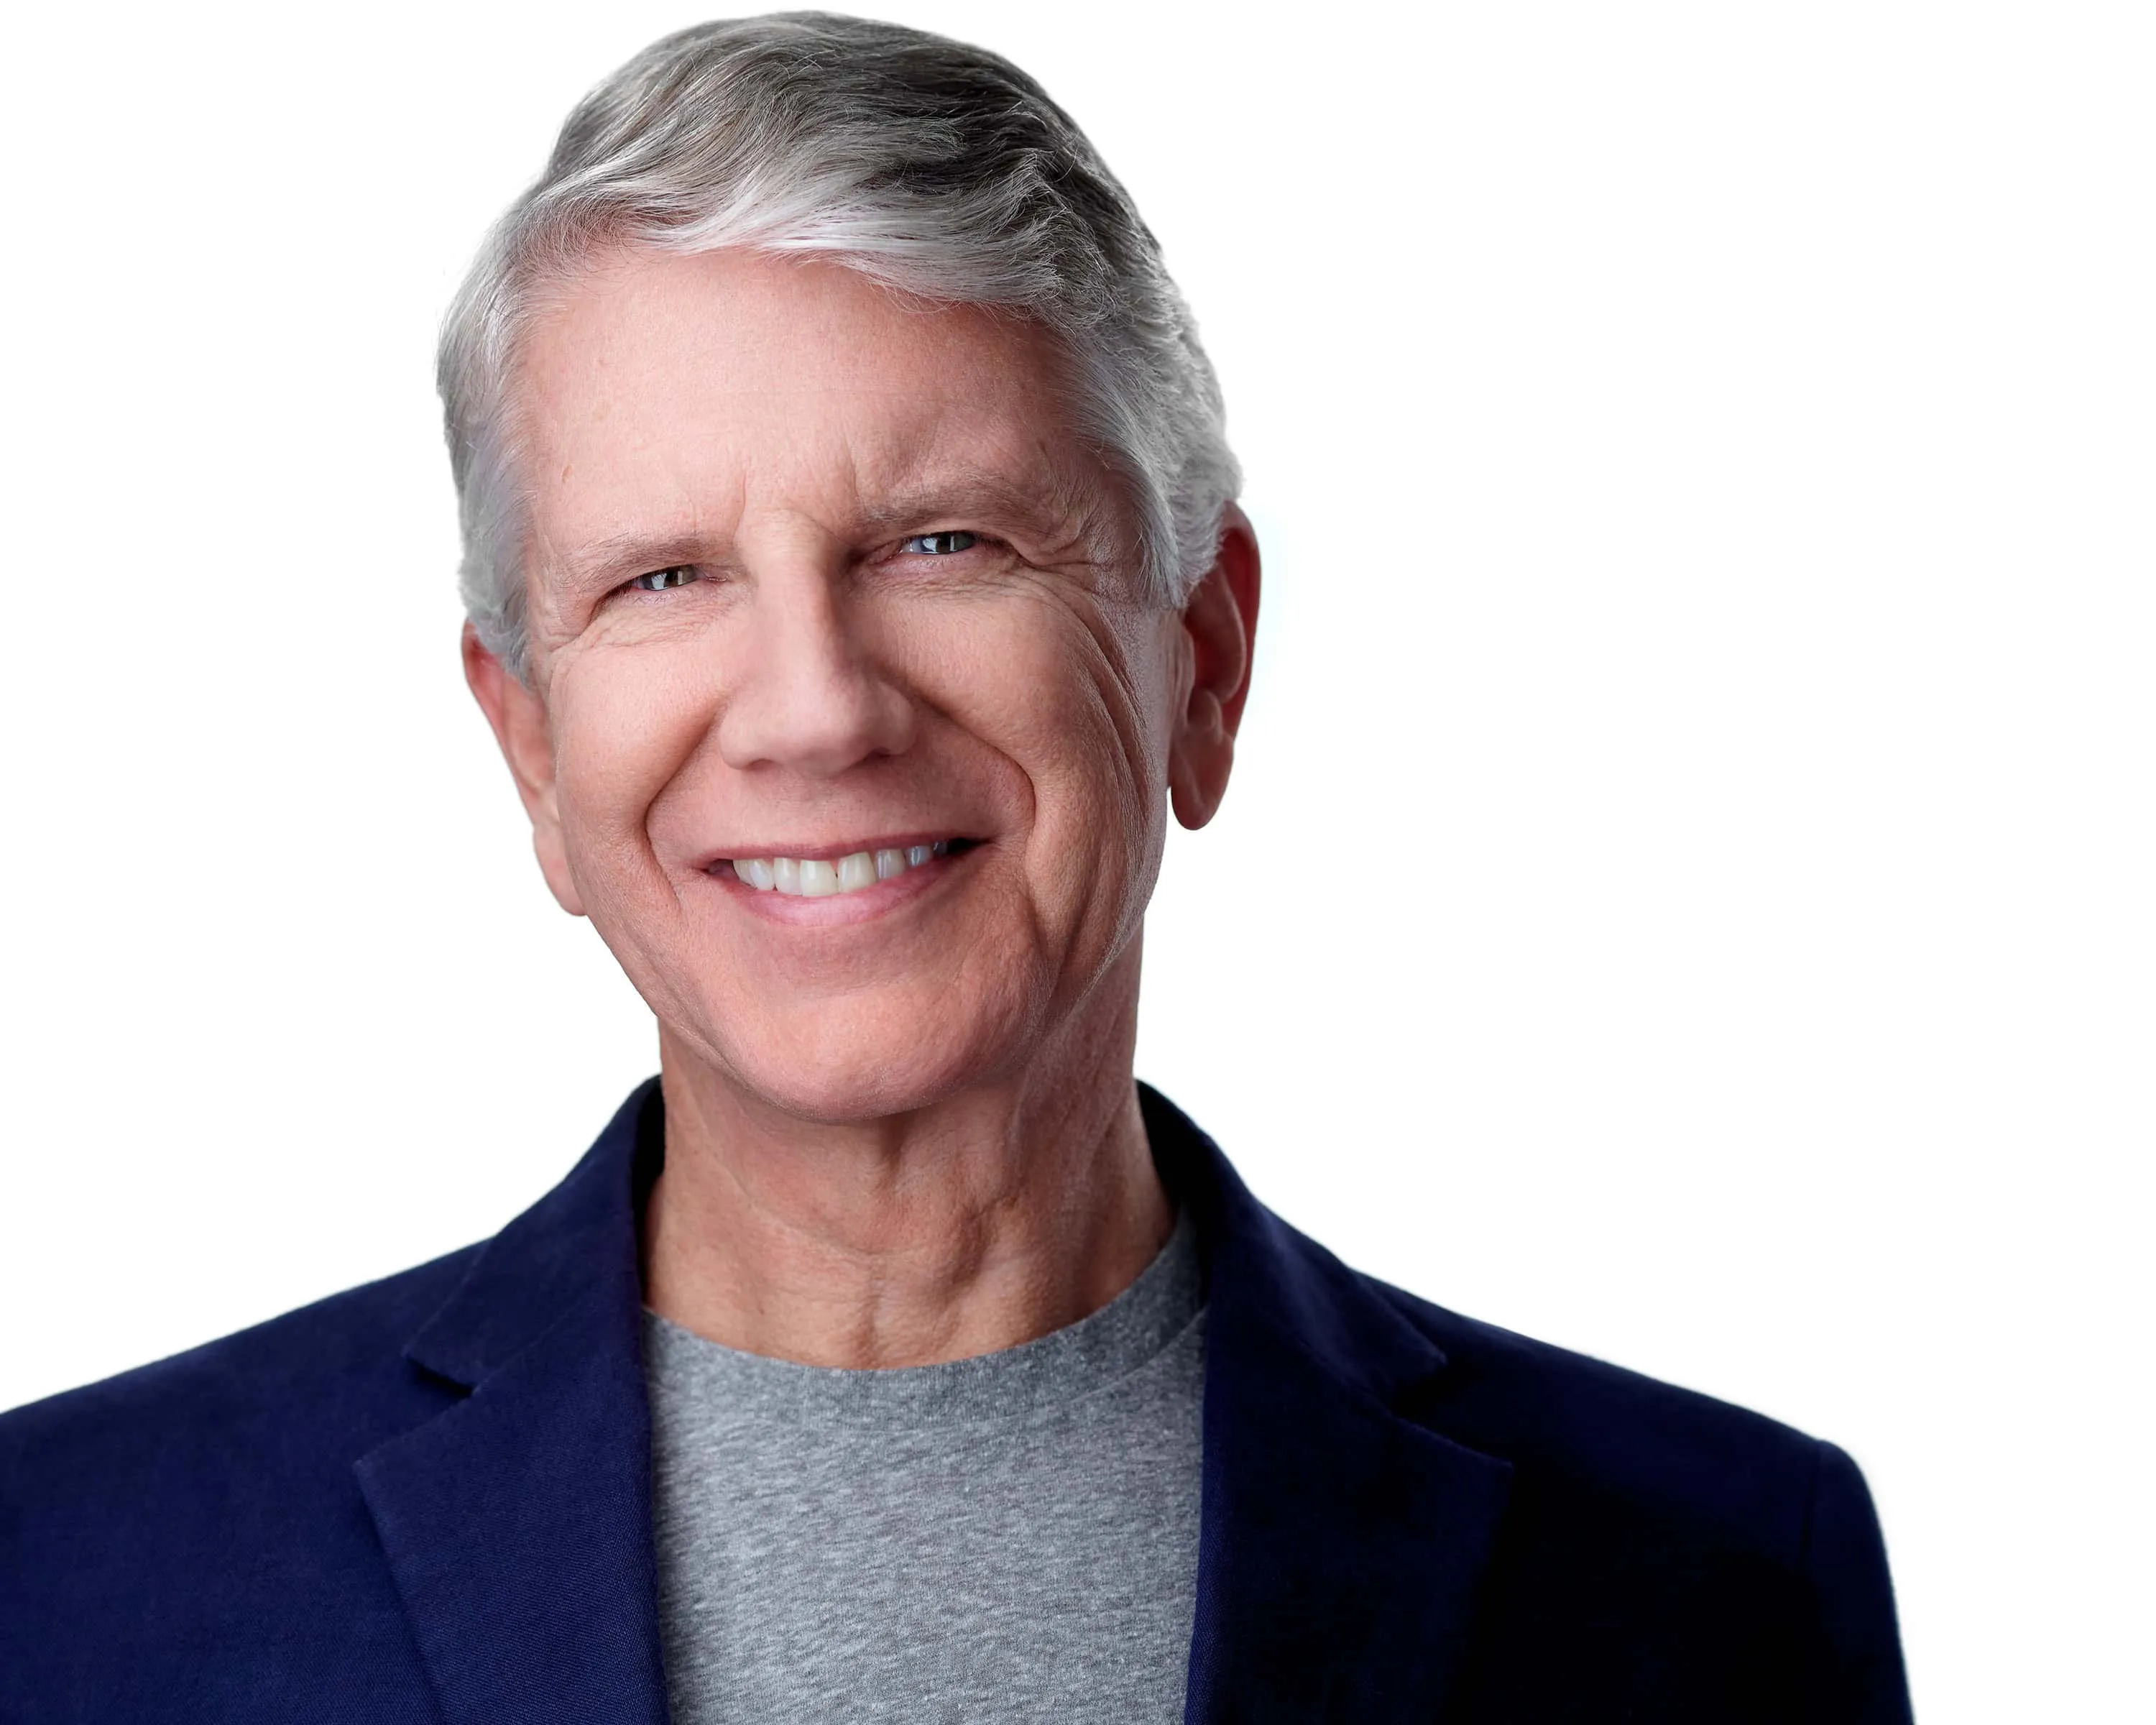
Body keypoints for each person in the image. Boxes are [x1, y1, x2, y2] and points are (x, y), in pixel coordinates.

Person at [0, 14, 1911, 1721]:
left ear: (1202, 660)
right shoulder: (67, 1575)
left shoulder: (1720, 1585)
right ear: (533, 750)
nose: (816, 710)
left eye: (943, 544)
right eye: (662, 577)